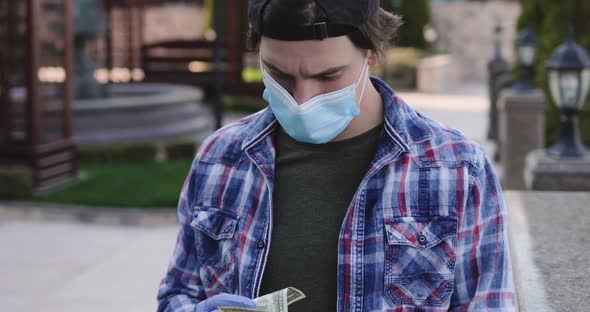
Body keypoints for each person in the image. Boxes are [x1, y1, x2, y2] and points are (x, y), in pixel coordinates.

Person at [157, 0, 517, 311]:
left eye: (328, 76)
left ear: (372, 51)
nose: (302, 99)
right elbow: (178, 293)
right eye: (279, 74)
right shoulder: (219, 159)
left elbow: (489, 303)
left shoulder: (457, 169)